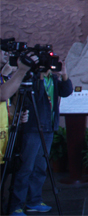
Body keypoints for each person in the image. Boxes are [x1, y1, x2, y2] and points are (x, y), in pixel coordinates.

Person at [8, 61, 72, 216]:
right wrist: (41, 76)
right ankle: (16, 205)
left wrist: (64, 73)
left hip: (48, 127)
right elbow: (36, 95)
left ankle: (34, 201)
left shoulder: (54, 79)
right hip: (33, 128)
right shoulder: (33, 78)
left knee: (40, 168)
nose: (50, 67)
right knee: (26, 168)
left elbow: (66, 91)